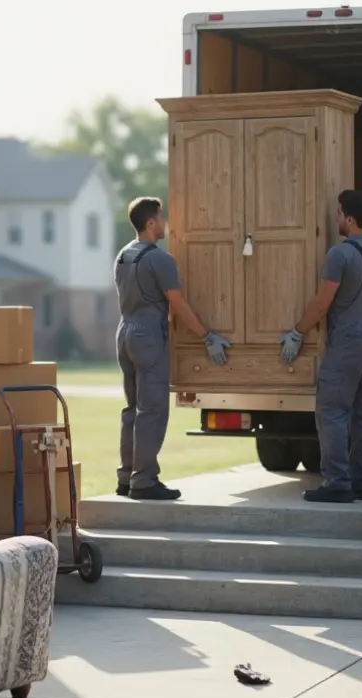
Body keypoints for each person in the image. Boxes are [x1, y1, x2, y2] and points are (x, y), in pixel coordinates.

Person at [114, 196, 231, 501]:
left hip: (124, 332)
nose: (165, 224)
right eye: (162, 218)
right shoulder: (159, 259)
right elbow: (177, 303)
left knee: (132, 409)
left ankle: (126, 477)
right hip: (149, 336)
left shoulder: (123, 256)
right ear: (151, 223)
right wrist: (207, 336)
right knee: (151, 411)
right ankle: (145, 482)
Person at [279, 190, 362, 503]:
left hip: (350, 339)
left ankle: (338, 483)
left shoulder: (340, 254)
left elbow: (322, 302)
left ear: (350, 220)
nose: (336, 218)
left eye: (339, 214)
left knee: (332, 411)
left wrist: (297, 332)